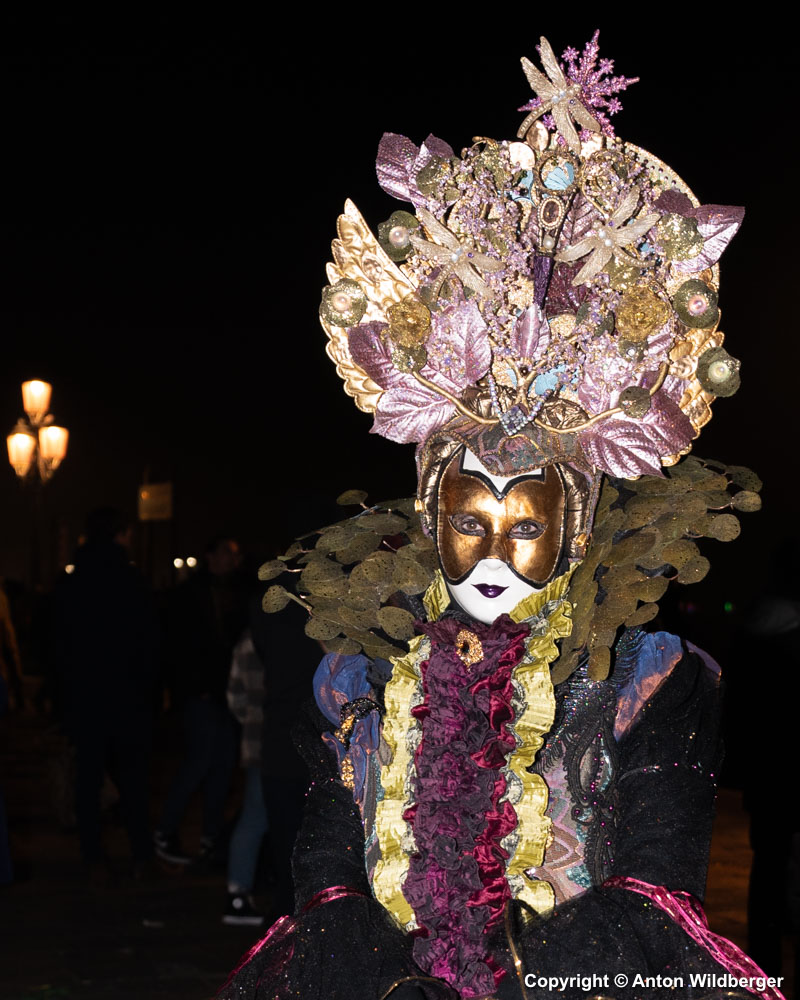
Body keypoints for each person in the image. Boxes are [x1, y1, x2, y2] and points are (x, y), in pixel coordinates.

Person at [221, 34, 783, 1000]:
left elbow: (658, 893)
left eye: (524, 523)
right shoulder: (358, 681)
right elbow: (324, 876)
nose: (490, 552)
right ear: (431, 516)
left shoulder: (647, 683)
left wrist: (512, 971)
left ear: (572, 528)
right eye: (467, 519)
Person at [52, 507, 159, 876]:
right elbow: (148, 643)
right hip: (127, 695)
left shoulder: (72, 582)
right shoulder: (131, 580)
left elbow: (57, 645)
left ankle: (92, 852)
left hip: (84, 695)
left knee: (88, 776)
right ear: (120, 535)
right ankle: (141, 852)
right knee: (132, 778)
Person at [155, 535, 249, 864]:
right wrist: (193, 686)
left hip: (226, 694)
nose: (231, 560)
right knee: (200, 761)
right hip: (202, 693)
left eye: (234, 554)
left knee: (222, 765)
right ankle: (165, 830)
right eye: (226, 552)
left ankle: (211, 837)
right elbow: (178, 646)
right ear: (210, 555)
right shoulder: (190, 595)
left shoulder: (236, 593)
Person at [222, 628, 268, 926]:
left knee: (255, 817)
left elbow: (235, 697)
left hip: (256, 741)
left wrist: (250, 718)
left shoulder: (248, 640)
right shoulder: (296, 633)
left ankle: (239, 891)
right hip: (277, 743)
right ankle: (238, 894)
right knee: (256, 818)